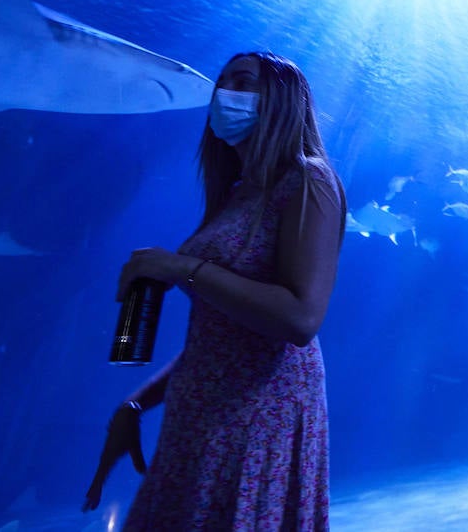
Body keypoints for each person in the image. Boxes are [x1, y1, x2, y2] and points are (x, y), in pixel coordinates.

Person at [83, 51, 347, 529]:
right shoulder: (236, 194)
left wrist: (183, 267)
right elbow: (219, 339)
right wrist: (139, 401)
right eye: (221, 81)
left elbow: (301, 319)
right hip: (200, 411)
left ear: (282, 100)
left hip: (258, 415)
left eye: (243, 81)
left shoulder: (308, 180)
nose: (224, 92)